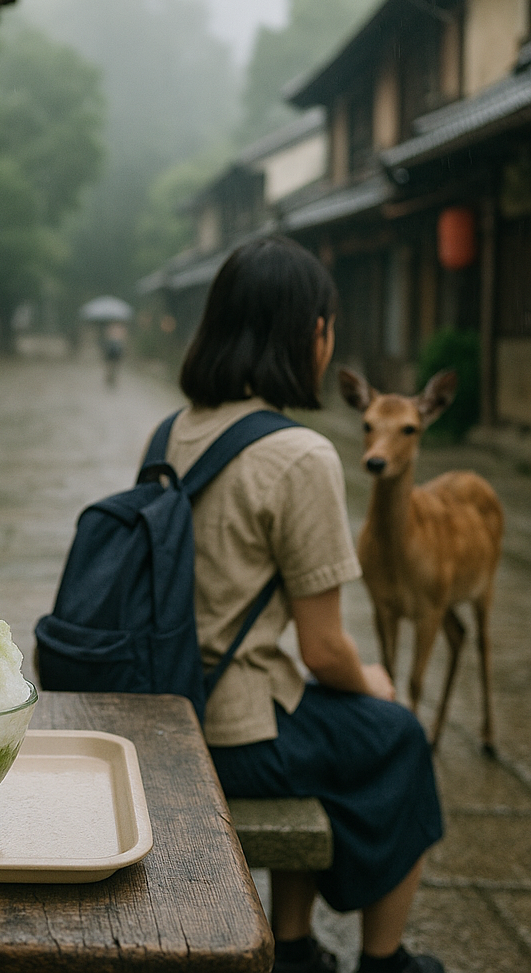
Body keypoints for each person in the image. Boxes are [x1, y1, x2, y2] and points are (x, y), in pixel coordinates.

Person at [162, 236, 443, 973]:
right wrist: (375, 684)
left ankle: (294, 946)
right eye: (328, 327)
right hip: (233, 733)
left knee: (319, 715)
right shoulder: (302, 455)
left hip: (163, 711)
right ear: (311, 333)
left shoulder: (173, 433)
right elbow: (324, 648)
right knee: (397, 737)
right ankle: (385, 961)